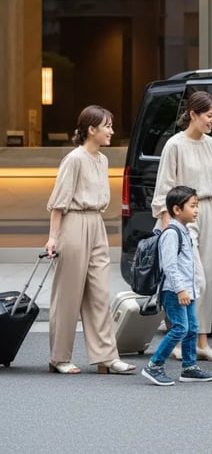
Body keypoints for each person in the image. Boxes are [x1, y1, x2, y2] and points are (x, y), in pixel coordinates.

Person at [45, 105, 136, 375]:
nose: (111, 131)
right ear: (91, 129)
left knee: (99, 293)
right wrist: (53, 238)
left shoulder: (103, 160)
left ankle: (106, 357)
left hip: (96, 223)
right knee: (68, 294)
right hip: (73, 222)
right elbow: (59, 203)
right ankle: (59, 357)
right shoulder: (74, 159)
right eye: (106, 126)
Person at [152, 91, 212, 361]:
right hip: (181, 216)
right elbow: (164, 190)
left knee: (205, 280)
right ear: (193, 114)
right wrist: (168, 229)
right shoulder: (174, 145)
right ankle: (179, 338)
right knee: (187, 278)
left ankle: (201, 341)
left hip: (206, 209)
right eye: (209, 116)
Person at [142, 186, 212, 385]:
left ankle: (189, 368)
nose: (196, 210)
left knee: (192, 328)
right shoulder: (171, 233)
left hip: (186, 290)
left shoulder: (184, 232)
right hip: (174, 291)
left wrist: (192, 288)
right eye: (192, 206)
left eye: (197, 206)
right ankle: (154, 365)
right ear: (177, 209)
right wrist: (181, 289)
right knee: (180, 328)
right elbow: (169, 266)